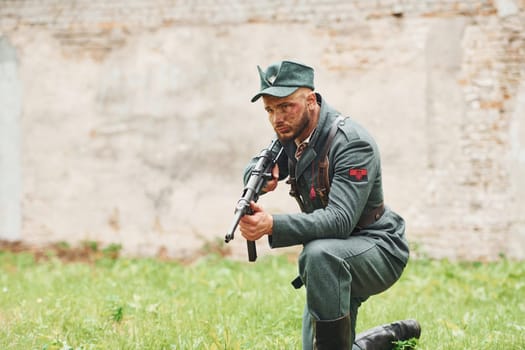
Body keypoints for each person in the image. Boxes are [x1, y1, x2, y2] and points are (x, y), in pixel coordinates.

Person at [238, 60, 421, 350]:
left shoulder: (351, 143)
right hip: (334, 251)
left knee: (319, 254)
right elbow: (258, 163)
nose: (277, 118)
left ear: (311, 100)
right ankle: (387, 339)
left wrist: (272, 224)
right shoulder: (291, 132)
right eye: (270, 110)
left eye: (286, 106)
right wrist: (259, 178)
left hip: (378, 245)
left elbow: (340, 220)